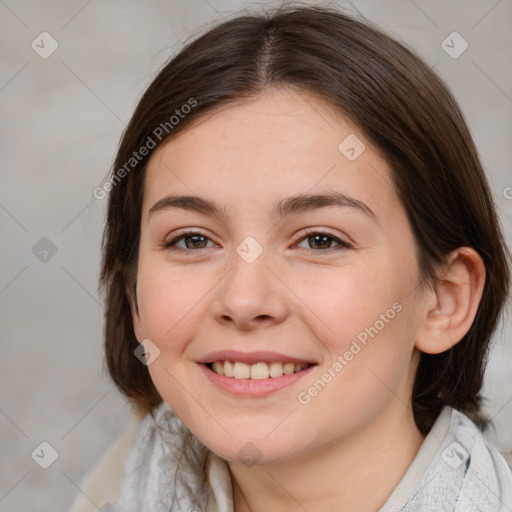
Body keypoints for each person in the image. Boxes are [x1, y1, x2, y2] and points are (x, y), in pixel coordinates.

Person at [70, 4, 512, 511]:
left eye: (320, 240)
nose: (243, 299)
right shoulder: (114, 488)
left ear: (444, 299)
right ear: (134, 297)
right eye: (192, 240)